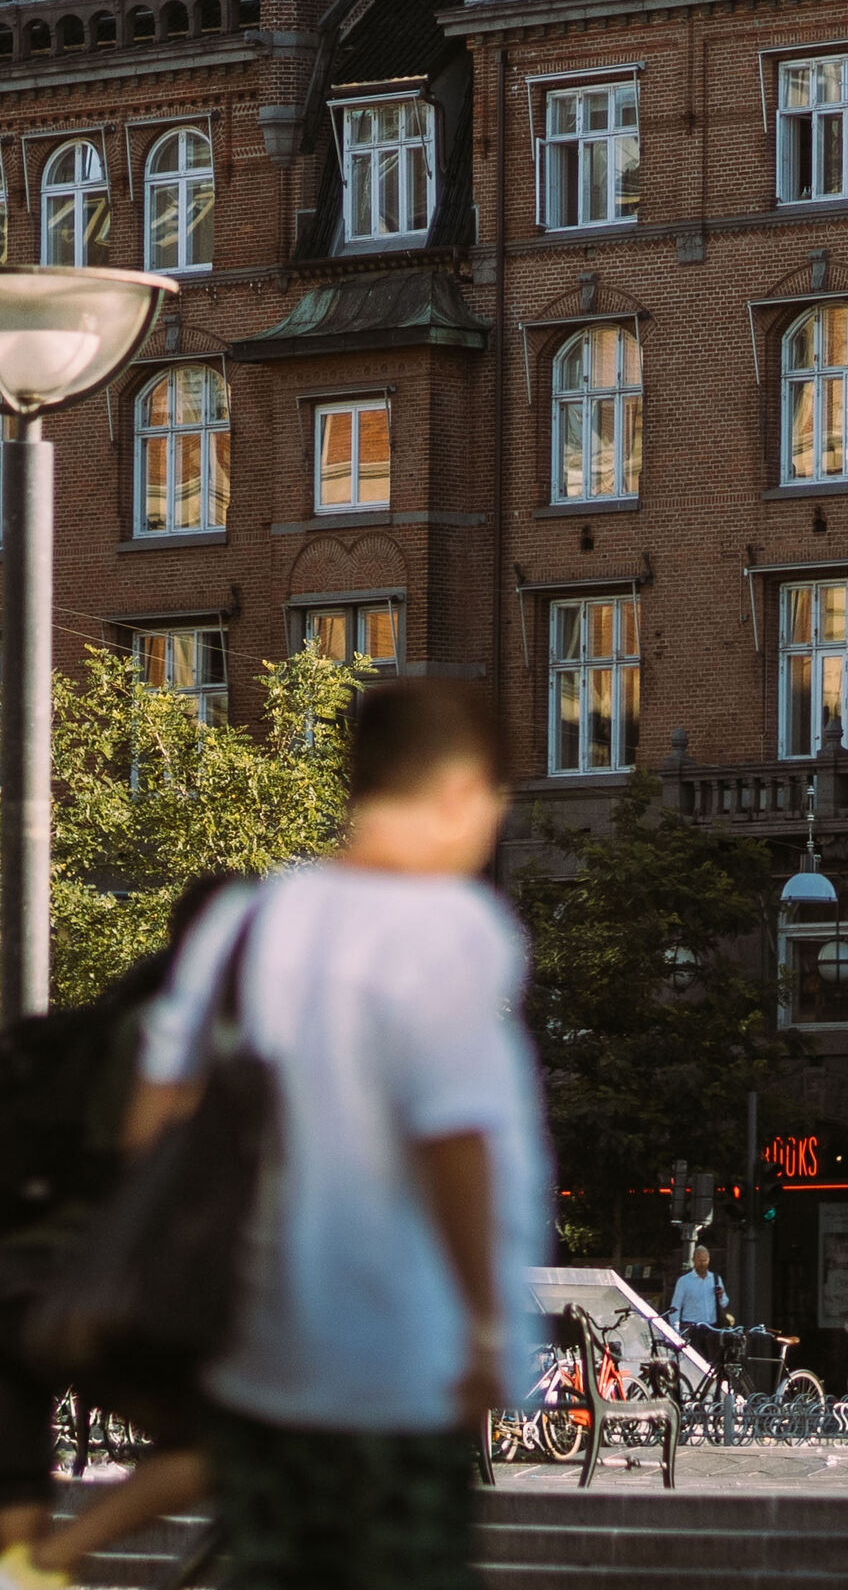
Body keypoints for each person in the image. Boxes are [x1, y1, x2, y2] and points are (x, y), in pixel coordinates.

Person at [132, 677, 546, 1590]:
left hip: (256, 1366)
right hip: (398, 1370)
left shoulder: (244, 922)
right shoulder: (449, 927)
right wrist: (483, 1327)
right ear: (457, 791)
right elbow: (454, 1138)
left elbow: (150, 1123)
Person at [0, 874, 238, 1590]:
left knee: (16, 1470)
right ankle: (49, 1560)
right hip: (63, 1284)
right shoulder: (177, 1036)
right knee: (220, 1441)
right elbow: (163, 1173)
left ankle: (22, 1573)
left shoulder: (105, 1019)